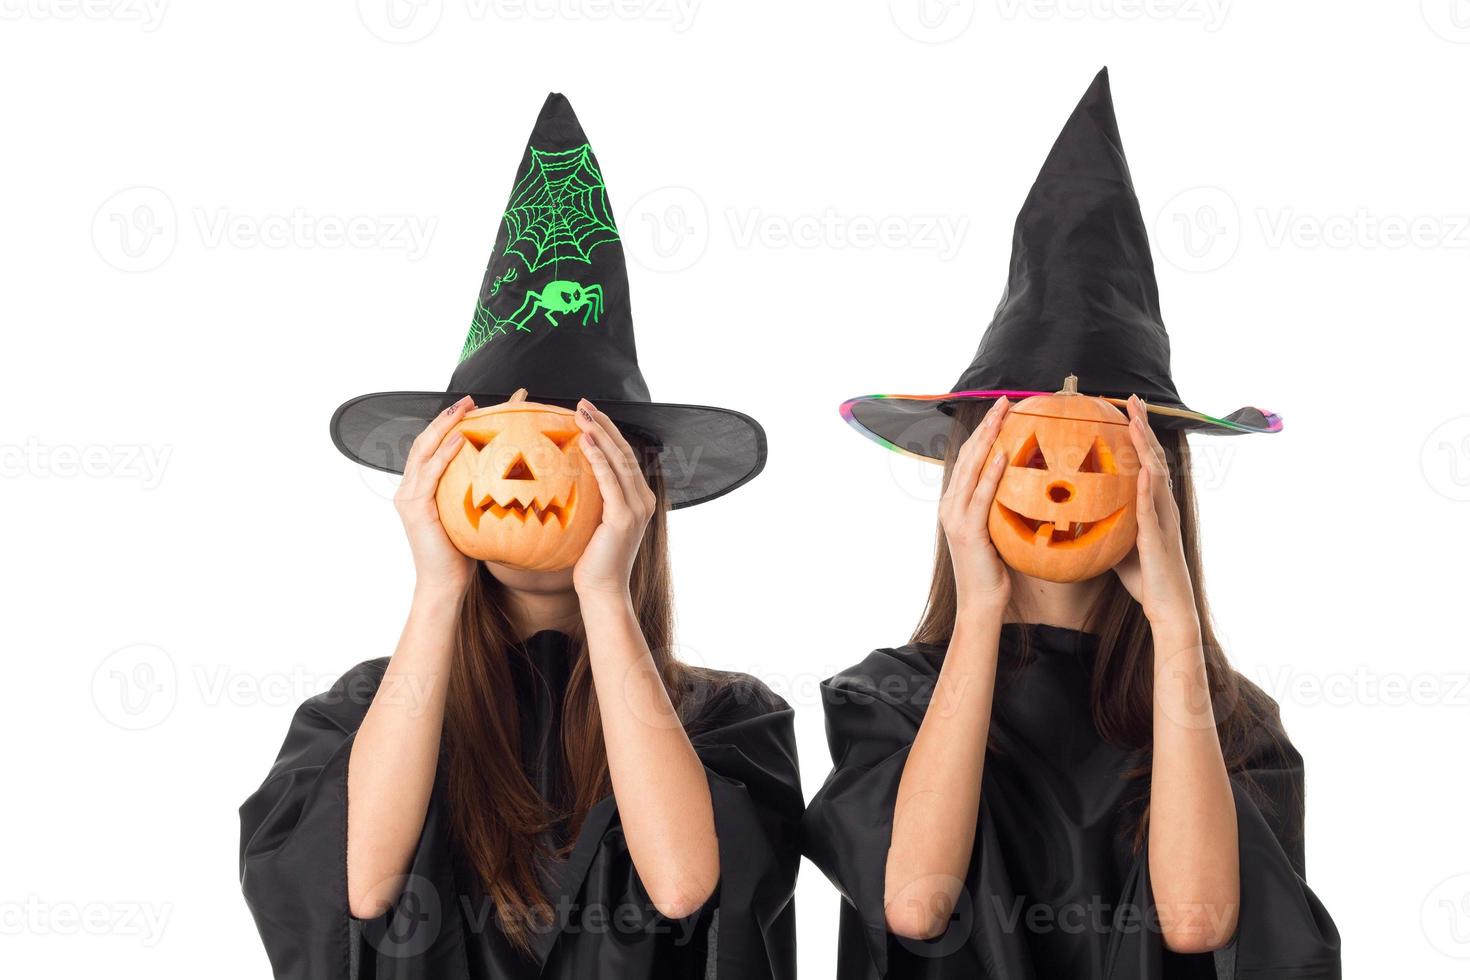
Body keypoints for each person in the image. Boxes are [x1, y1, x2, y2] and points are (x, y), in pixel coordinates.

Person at [239, 94, 800, 980]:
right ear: (439, 474)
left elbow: (687, 885)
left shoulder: (729, 719)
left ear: (635, 484)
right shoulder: (366, 710)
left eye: (564, 448)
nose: (517, 474)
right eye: (487, 448)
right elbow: (361, 888)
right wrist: (435, 589)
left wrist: (606, 594)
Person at [806, 70, 1340, 978]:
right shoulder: (889, 697)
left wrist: (1176, 629)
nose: (1058, 486)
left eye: (1094, 459)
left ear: (1159, 483)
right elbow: (916, 902)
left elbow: (1201, 923)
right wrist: (977, 611)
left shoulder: (1231, 720)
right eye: (1027, 456)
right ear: (968, 472)